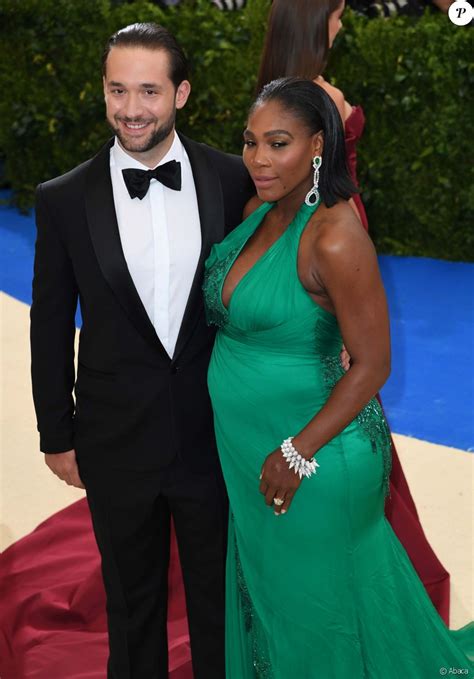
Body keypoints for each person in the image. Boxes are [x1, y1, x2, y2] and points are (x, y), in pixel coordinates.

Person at [203, 76, 473, 678]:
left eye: (278, 143)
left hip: (314, 456)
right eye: (250, 142)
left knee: (319, 613)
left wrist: (297, 452)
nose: (258, 160)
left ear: (319, 144)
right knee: (277, 602)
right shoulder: (257, 211)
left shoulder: (334, 236)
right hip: (252, 448)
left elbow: (375, 363)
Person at [30, 22, 253, 679]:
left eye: (149, 91)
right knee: (132, 608)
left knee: (219, 603)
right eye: (117, 90)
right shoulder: (63, 198)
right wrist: (56, 430)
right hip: (114, 438)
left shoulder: (233, 180)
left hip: (214, 433)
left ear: (181, 93)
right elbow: (48, 323)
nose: (132, 108)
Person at [255, 0, 450, 621]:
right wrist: (346, 298)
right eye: (337, 15)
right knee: (343, 393)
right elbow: (334, 199)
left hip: (298, 266)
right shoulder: (316, 98)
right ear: (317, 24)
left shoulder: (270, 93)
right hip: (331, 266)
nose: (342, 24)